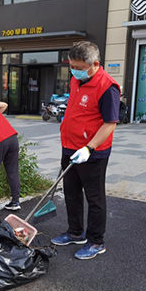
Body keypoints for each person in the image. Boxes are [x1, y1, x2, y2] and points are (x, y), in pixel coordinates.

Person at [51, 41, 121, 260]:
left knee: (95, 198)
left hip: (92, 153)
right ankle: (75, 232)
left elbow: (110, 123)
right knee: (71, 193)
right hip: (70, 147)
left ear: (95, 64)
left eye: (79, 68)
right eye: (72, 66)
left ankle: (96, 241)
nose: (74, 71)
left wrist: (89, 148)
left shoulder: (107, 87)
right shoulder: (75, 79)